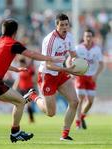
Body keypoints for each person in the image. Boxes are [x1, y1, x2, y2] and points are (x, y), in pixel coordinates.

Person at [23, 13, 79, 141]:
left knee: (75, 102)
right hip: (47, 75)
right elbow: (49, 65)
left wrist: (78, 65)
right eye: (62, 25)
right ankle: (33, 96)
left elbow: (73, 54)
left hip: (60, 73)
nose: (65, 27)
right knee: (51, 113)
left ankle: (65, 135)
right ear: (56, 26)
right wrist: (67, 69)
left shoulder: (69, 36)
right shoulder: (50, 40)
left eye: (67, 25)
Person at [75, 28, 104, 129]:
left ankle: (82, 116)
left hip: (91, 77)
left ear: (92, 37)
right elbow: (71, 59)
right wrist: (73, 71)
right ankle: (78, 122)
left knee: (90, 101)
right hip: (81, 76)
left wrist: (96, 75)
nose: (88, 38)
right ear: (83, 37)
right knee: (80, 99)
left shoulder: (97, 49)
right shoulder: (78, 48)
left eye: (90, 36)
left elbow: (101, 64)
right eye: (86, 36)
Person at [13, 57, 36, 123]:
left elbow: (34, 76)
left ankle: (31, 119)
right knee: (22, 104)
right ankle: (29, 118)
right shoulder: (20, 70)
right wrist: (14, 87)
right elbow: (18, 79)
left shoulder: (29, 69)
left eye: (20, 63)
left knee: (28, 104)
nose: (19, 65)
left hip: (28, 89)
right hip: (22, 89)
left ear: (23, 63)